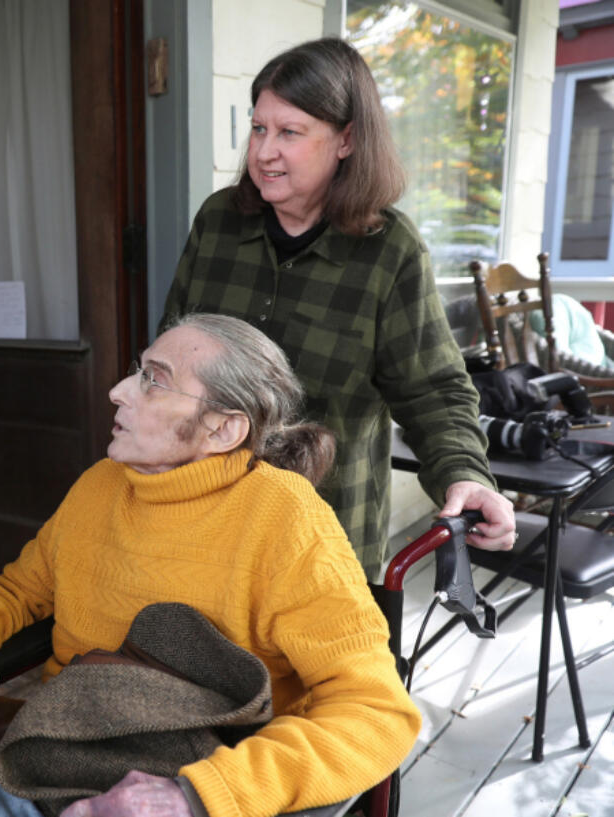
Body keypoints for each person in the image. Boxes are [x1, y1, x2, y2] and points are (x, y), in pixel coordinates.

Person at [0, 313, 422, 817]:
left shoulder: (285, 520)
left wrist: (194, 797)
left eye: (154, 379)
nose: (118, 390)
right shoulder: (101, 485)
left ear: (222, 429)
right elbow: (20, 589)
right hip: (57, 758)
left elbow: (376, 712)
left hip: (191, 778)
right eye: (138, 370)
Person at [160, 37, 515, 579]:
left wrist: (464, 474)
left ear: (346, 140)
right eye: (258, 128)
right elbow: (168, 355)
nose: (263, 152)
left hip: (321, 535)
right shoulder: (218, 222)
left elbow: (433, 391)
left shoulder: (389, 251)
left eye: (289, 133)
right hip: (202, 517)